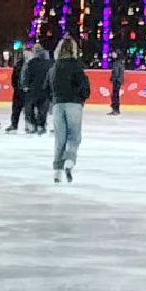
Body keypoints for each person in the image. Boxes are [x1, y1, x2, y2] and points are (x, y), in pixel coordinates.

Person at [51, 36, 90, 182]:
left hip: (57, 105)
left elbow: (48, 86)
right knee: (74, 137)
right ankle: (69, 161)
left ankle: (57, 173)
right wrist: (82, 98)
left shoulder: (54, 67)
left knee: (59, 139)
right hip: (74, 104)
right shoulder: (76, 66)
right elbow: (84, 86)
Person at [23, 40, 52, 134]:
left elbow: (27, 75)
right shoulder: (49, 63)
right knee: (43, 109)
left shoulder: (31, 63)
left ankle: (33, 124)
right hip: (45, 90)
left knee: (29, 108)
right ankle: (41, 125)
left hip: (33, 90)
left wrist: (26, 85)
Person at [6, 44, 33, 132]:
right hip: (18, 90)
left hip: (29, 91)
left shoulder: (34, 64)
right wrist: (15, 86)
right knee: (16, 109)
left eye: (29, 52)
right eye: (26, 52)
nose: (27, 53)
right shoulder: (19, 63)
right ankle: (14, 125)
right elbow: (14, 76)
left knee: (29, 110)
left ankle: (29, 125)